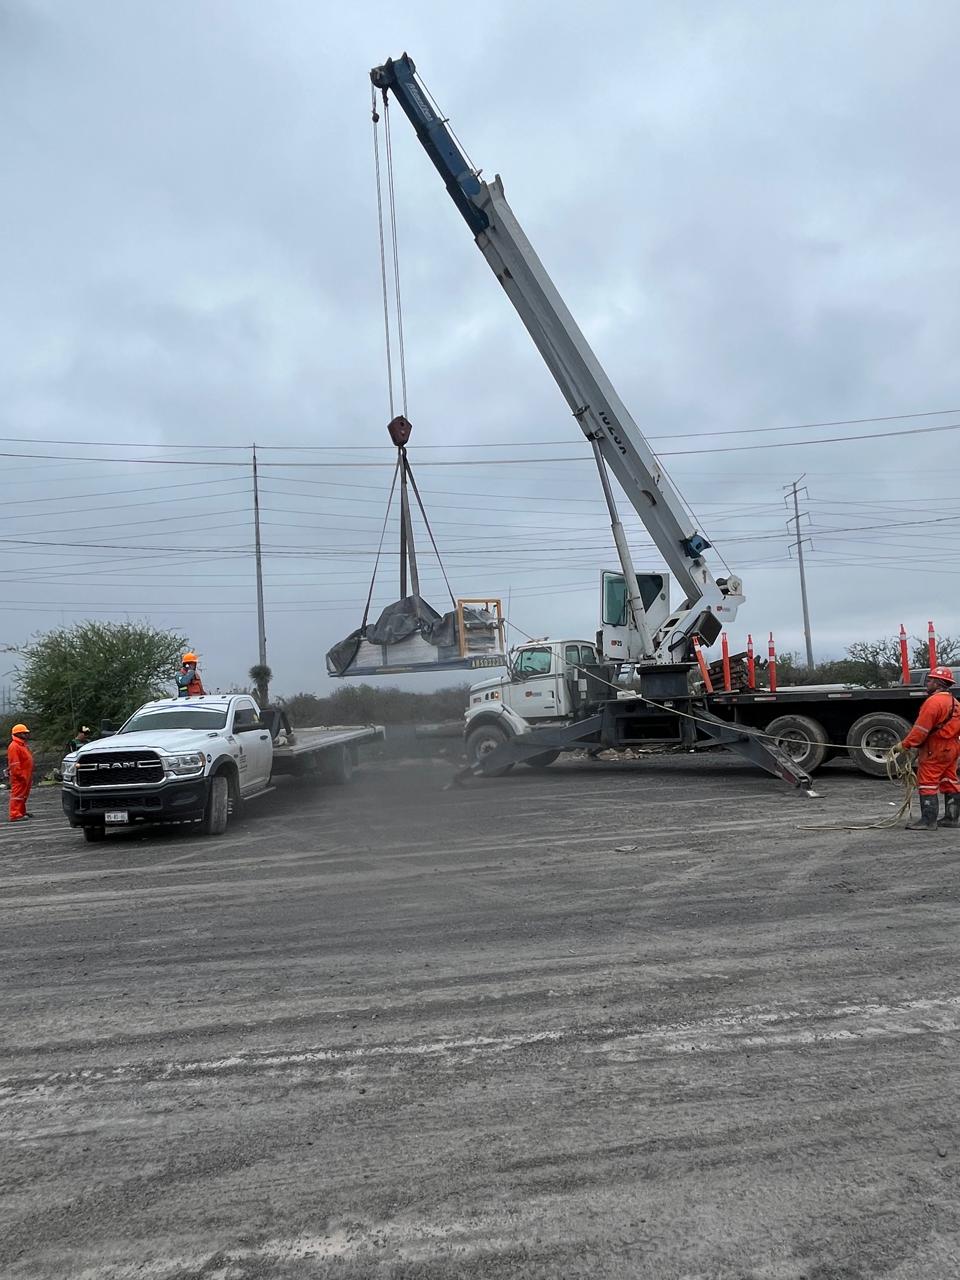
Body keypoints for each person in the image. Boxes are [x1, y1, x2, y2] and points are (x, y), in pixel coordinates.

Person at [899, 666, 960, 831]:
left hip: (936, 747)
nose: (927, 683)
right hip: (952, 746)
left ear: (937, 683)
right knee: (950, 780)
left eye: (930, 680)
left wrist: (904, 745)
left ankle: (928, 821)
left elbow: (921, 730)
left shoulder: (933, 702)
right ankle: (952, 818)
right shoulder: (954, 702)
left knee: (928, 782)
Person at [7, 723, 34, 822]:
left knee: (23, 795)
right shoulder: (14, 746)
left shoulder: (21, 745)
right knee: (17, 795)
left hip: (25, 775)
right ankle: (15, 814)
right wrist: (19, 775)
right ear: (18, 734)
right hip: (19, 776)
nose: (26, 735)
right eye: (24, 733)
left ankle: (21, 812)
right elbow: (14, 763)